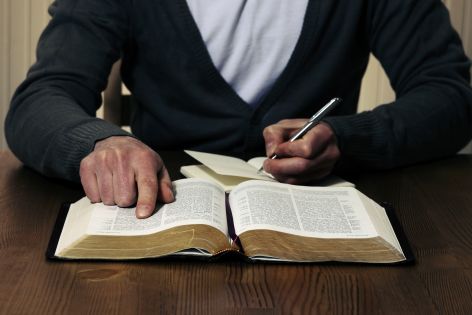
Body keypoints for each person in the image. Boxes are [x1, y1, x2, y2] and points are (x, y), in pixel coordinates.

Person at [5, 0, 472, 219]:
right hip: (160, 218)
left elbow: (451, 98)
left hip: (313, 227)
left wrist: (348, 137)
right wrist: (102, 141)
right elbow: (39, 100)